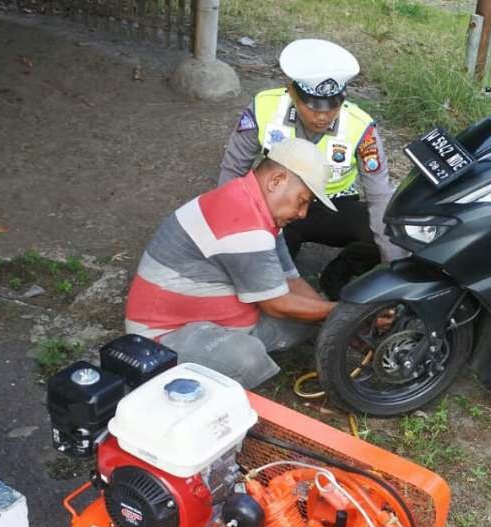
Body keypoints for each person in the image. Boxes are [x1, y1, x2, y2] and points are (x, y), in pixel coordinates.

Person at [124, 138, 337, 389]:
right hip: (163, 338)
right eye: (303, 200)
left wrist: (340, 320)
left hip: (215, 324)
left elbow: (291, 280)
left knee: (313, 315)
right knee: (246, 359)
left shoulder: (257, 208)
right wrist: (345, 313)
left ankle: (227, 354)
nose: (303, 214)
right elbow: (277, 304)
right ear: (276, 180)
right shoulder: (241, 218)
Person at [218, 38, 403, 299]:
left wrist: (392, 267)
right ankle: (278, 281)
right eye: (313, 105)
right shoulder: (264, 107)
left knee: (388, 230)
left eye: (333, 106)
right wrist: (229, 232)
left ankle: (336, 277)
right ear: (293, 93)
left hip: (333, 206)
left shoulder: (361, 126)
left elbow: (379, 196)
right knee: (268, 267)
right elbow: (233, 170)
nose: (323, 116)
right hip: (278, 206)